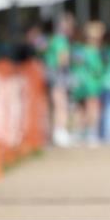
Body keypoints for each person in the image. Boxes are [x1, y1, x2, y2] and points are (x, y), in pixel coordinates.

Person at [69, 21, 104, 146]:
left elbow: (74, 66)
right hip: (90, 85)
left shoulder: (78, 50)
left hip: (79, 84)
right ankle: (89, 133)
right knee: (91, 109)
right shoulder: (92, 51)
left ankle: (80, 132)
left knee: (80, 110)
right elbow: (98, 69)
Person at [43, 13, 74, 146]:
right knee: (60, 104)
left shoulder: (52, 39)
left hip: (52, 74)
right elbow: (63, 59)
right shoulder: (61, 40)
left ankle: (57, 131)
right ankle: (59, 131)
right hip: (58, 75)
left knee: (56, 104)